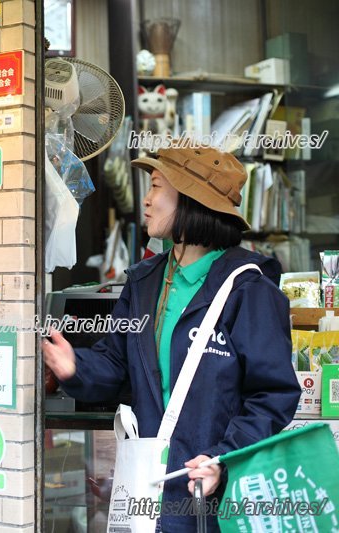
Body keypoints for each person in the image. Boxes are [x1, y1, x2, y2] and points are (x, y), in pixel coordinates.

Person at [43, 145, 301, 531]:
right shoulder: (144, 282)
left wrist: (223, 460)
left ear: (192, 201)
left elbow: (273, 395)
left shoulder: (250, 289)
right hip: (148, 496)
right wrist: (75, 366)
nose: (146, 200)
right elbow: (116, 365)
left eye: (157, 187)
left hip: (214, 501)